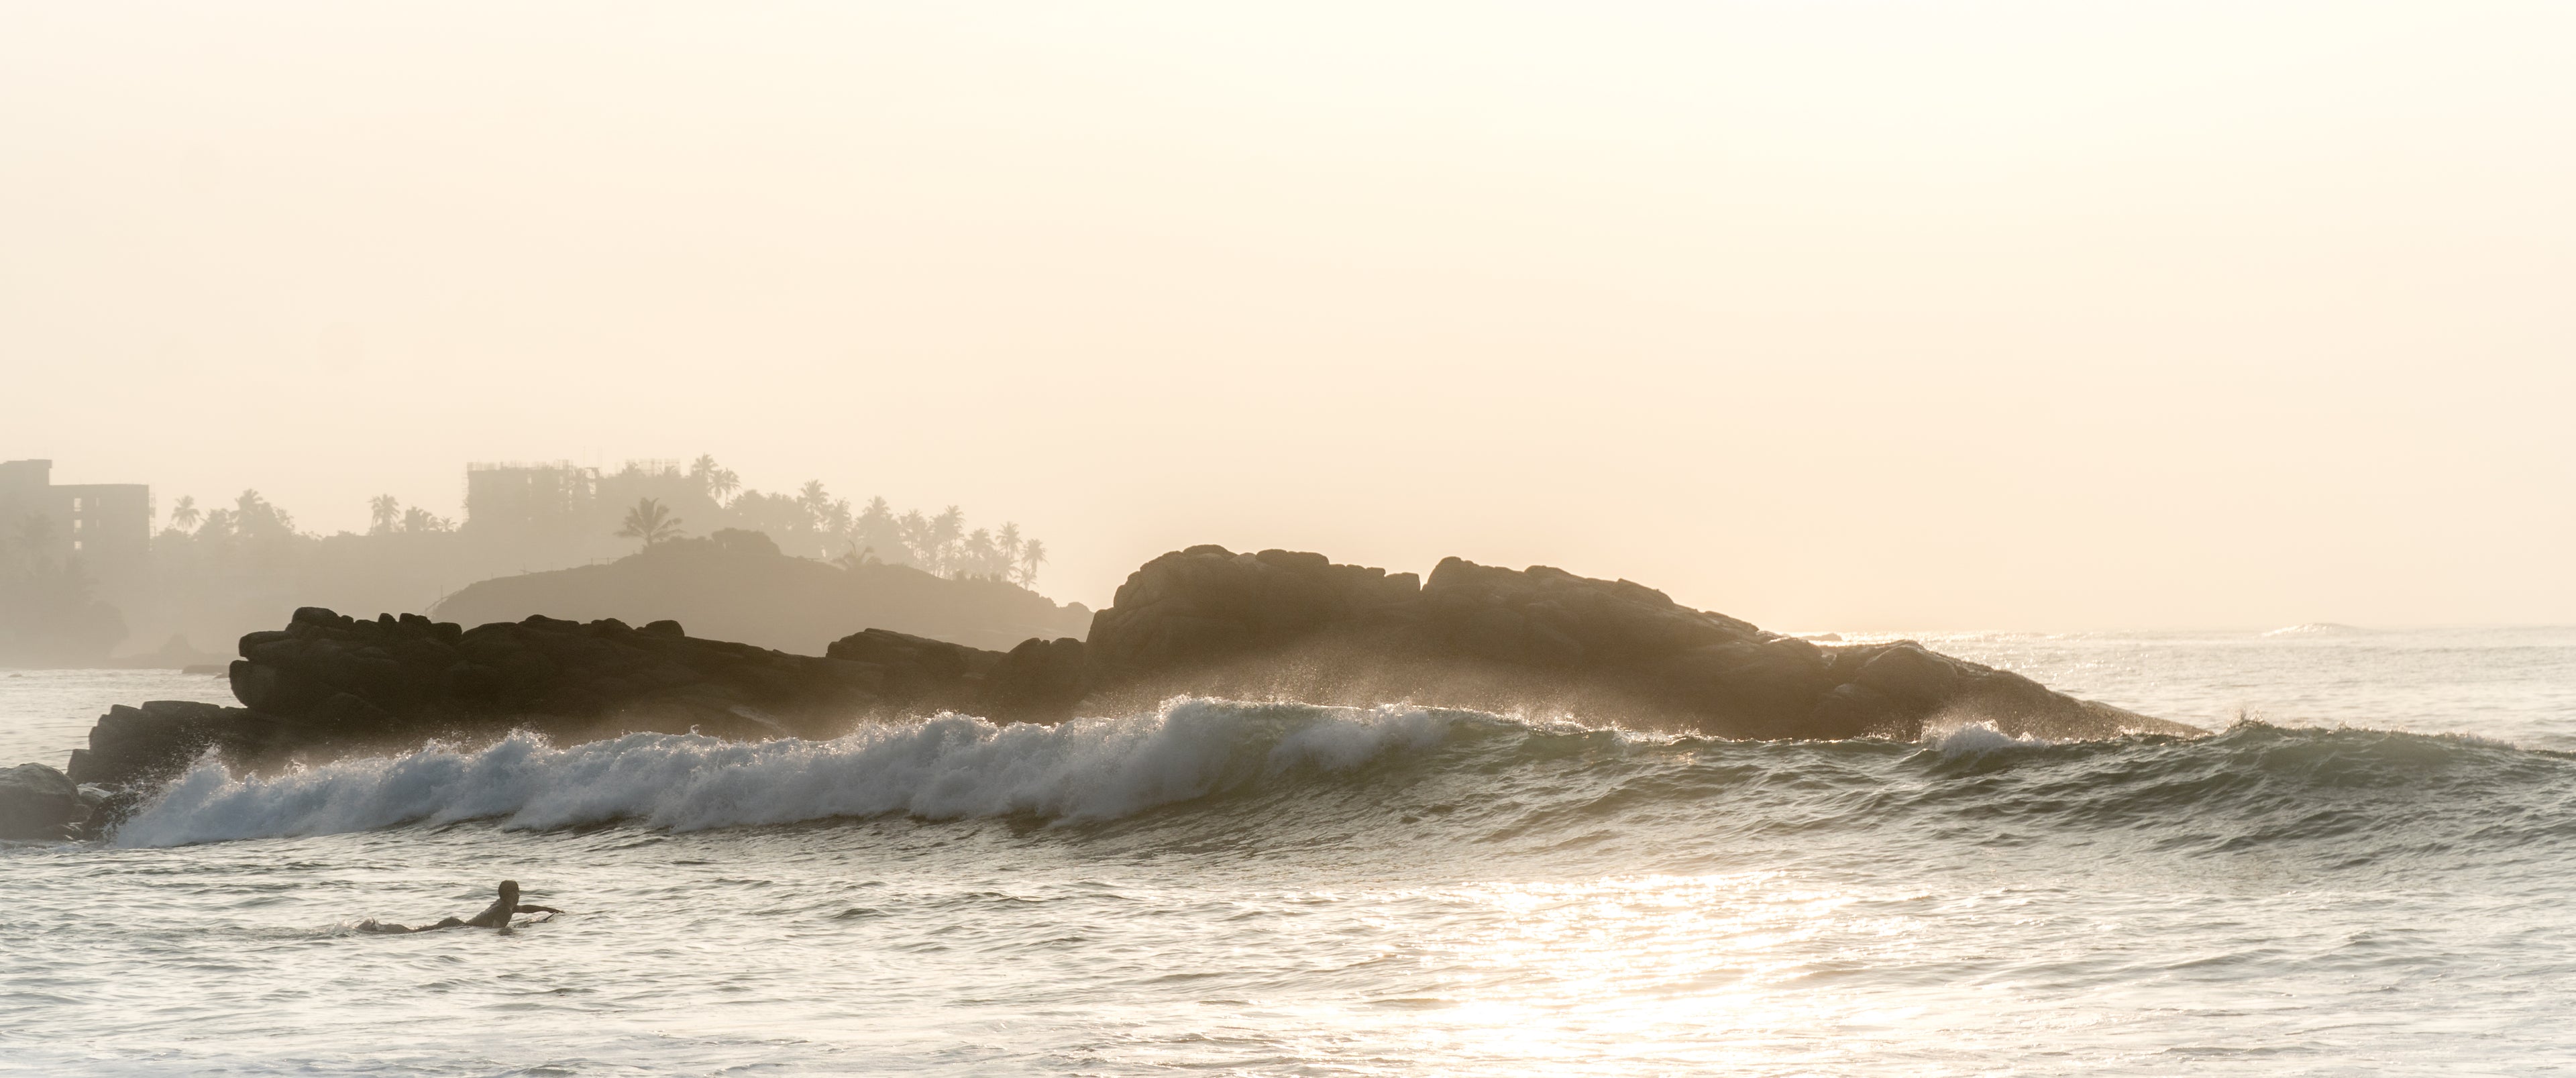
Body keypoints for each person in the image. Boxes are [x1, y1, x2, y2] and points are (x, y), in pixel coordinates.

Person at [356, 879, 563, 934]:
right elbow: (497, 930)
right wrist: (519, 928)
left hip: (457, 924)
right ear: (507, 895)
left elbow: (526, 908)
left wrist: (548, 909)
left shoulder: (504, 905)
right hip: (458, 928)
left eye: (518, 891)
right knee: (413, 933)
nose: (518, 895)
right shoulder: (504, 909)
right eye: (515, 892)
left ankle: (378, 928)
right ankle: (376, 929)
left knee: (417, 930)